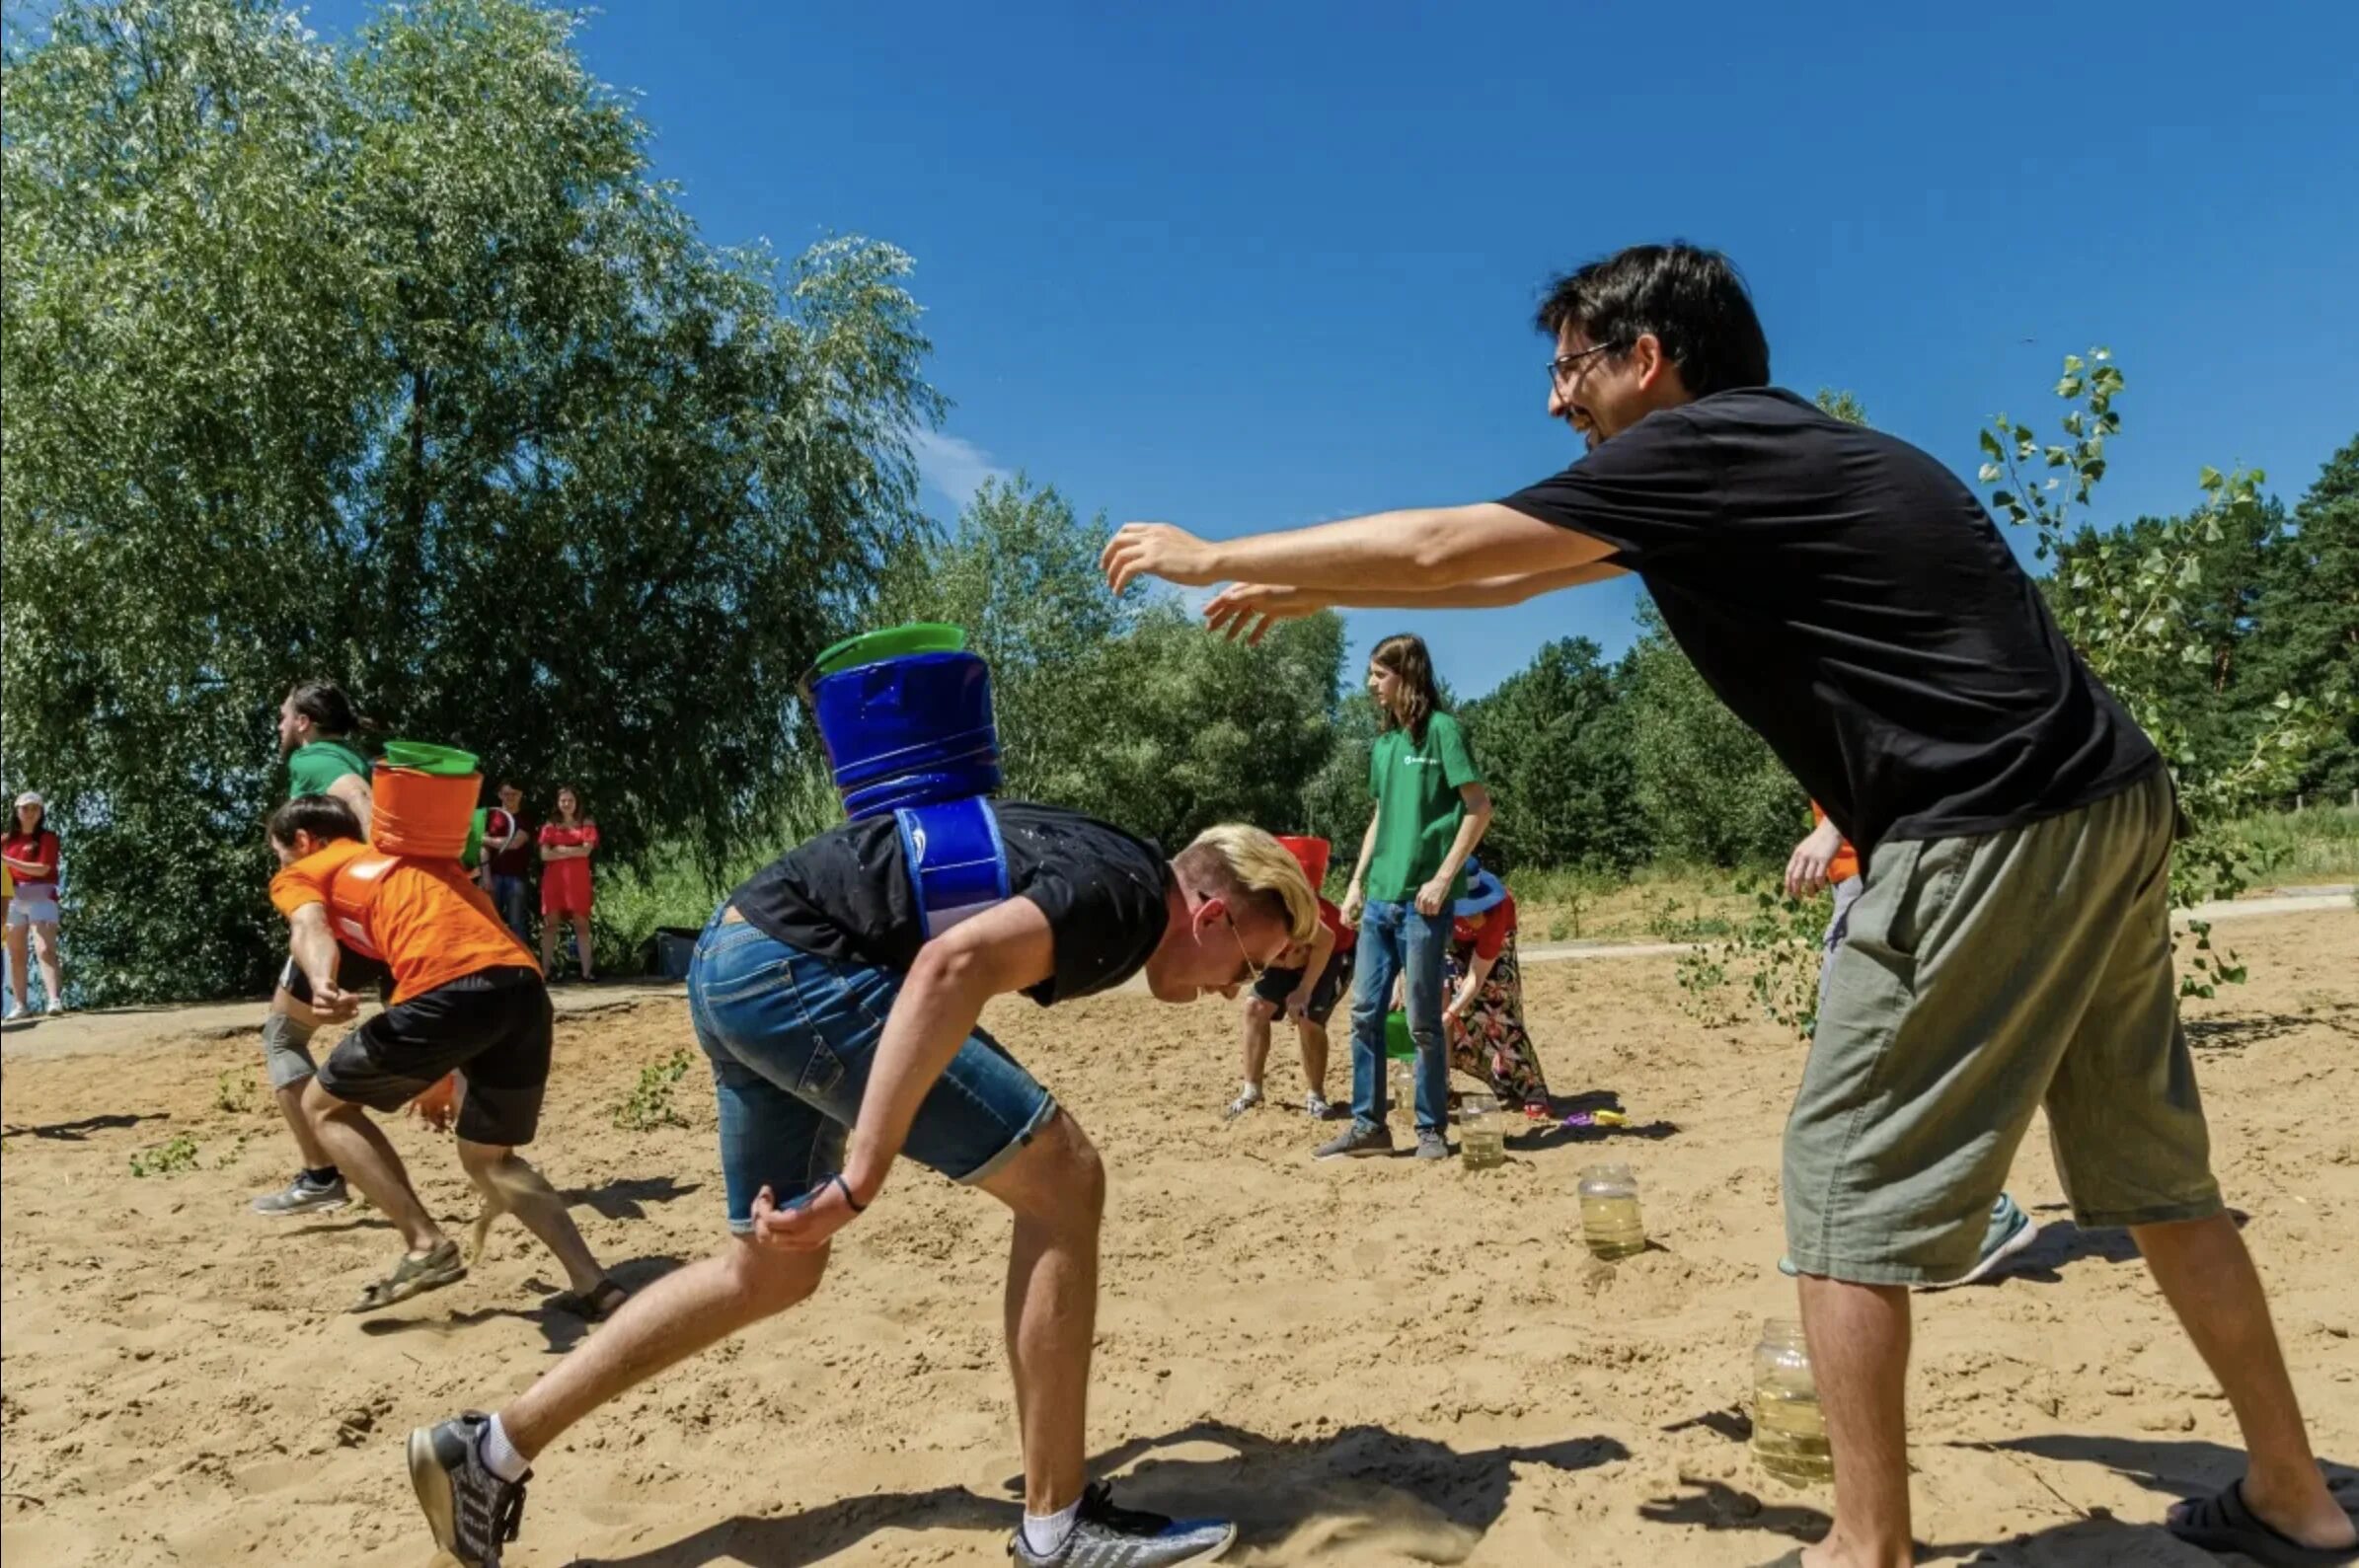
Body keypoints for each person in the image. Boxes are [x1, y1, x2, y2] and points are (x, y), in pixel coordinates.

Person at [1103, 243, 2357, 1568]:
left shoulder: (1696, 450)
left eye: (1569, 369)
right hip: (2103, 800)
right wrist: (1320, 590)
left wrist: (1213, 551)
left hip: (1977, 824)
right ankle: (2294, 1491)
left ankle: (1858, 1545)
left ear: (1649, 362)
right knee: (2160, 1181)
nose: (1553, 402)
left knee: (1836, 1190)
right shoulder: (1774, 460)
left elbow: (1447, 541)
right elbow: (1510, 574)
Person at [406, 807, 1316, 1568]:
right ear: (1211, 916)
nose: (1230, 990)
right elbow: (946, 968)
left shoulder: (1116, 860)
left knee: (767, 1270)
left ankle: (488, 1448)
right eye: (1246, 965)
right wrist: (862, 1173)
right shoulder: (1123, 902)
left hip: (735, 955)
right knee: (1066, 1179)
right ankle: (1058, 1526)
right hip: (798, 970)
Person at [266, 794, 620, 1319]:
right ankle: (595, 1286)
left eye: (281, 854)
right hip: (523, 991)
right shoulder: (411, 863)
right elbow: (433, 955)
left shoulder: (308, 870)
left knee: (323, 1107)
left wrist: (320, 981)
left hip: (448, 993)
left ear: (303, 841)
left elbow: (309, 927)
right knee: (489, 1157)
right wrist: (435, 1075)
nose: (282, 866)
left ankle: (424, 1244)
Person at [1783, 806, 2039, 1292]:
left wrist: (1831, 829)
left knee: (1868, 1065)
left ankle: (1979, 1217)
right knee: (1863, 1064)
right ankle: (1845, 1237)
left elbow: (1893, 750)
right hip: (1869, 873)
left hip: (1892, 871)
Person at [1315, 635, 1491, 1162]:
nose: (1371, 684)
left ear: (1406, 675)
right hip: (1379, 905)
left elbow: (1478, 808)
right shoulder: (1385, 747)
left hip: (1424, 905)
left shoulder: (1443, 732)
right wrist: (1356, 881)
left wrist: (1442, 878)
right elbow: (1380, 818)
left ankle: (1431, 1129)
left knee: (1421, 1020)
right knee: (1365, 1012)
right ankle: (1369, 1126)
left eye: (1378, 674)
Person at [253, 680, 380, 1217]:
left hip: (345, 914)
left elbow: (355, 795)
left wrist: (380, 868)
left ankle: (322, 1174)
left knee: (283, 1038)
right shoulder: (348, 752)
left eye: (284, 717)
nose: (280, 726)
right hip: (369, 915)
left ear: (303, 721)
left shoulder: (317, 758)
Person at [1225, 844, 1354, 1121]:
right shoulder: (1252, 907)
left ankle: (1316, 1096)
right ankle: (1251, 1090)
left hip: (1332, 953)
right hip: (1289, 956)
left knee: (1308, 1018)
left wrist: (1304, 990)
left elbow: (1326, 941)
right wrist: (1283, 962)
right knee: (1254, 1008)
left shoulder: (1300, 909)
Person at [1440, 859, 1549, 1113]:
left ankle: (1531, 1086)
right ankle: (1447, 1084)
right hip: (1452, 943)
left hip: (1494, 947)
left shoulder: (1499, 908)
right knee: (1443, 1002)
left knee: (1498, 1007)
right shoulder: (1438, 901)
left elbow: (1477, 978)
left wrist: (1450, 1014)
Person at [4, 791, 67, 1016]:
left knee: (45, 949)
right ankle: (20, 1005)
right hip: (13, 901)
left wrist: (7, 860)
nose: (30, 813)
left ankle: (54, 1000)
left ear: (41, 812)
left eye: (35, 808)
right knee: (16, 953)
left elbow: (42, 869)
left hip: (42, 898)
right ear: (16, 811)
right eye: (25, 808)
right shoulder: (5, 840)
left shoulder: (47, 838)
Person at [537, 785, 596, 983]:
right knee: (550, 925)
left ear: (576, 802)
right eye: (563, 800)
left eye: (570, 800)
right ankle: (544, 970)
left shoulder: (586, 824)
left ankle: (587, 972)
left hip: (578, 883)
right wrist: (573, 850)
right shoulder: (550, 825)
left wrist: (560, 849)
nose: (567, 804)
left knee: (582, 925)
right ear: (557, 802)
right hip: (554, 882)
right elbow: (544, 854)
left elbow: (586, 851)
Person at [482, 782, 535, 946]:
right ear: (500, 795)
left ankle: (522, 968)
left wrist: (485, 838)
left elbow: (514, 843)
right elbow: (483, 848)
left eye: (514, 794)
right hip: (492, 875)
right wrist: (486, 875)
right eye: (506, 794)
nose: (510, 797)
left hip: (516, 877)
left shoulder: (525, 818)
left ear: (520, 795)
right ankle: (491, 966)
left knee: (516, 922)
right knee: (489, 922)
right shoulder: (490, 816)